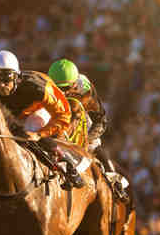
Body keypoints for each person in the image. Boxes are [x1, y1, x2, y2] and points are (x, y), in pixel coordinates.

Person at [0, 50, 83, 189]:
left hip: (45, 111)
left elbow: (63, 115)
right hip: (16, 116)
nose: (1, 85)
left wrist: (39, 134)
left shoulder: (37, 87)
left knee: (29, 129)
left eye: (6, 79)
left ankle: (68, 165)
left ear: (16, 76)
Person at [47, 58, 128, 199]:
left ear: (75, 83)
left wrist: (88, 139)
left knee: (96, 146)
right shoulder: (46, 86)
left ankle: (115, 184)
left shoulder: (85, 89)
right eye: (58, 88)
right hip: (56, 120)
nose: (62, 93)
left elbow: (101, 120)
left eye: (66, 88)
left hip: (81, 120)